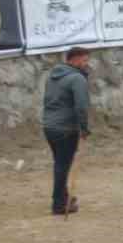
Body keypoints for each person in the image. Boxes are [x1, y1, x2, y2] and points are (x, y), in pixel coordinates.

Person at [40, 47, 91, 216]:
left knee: (60, 163)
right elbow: (81, 106)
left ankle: (64, 197)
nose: (86, 64)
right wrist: (84, 128)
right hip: (66, 128)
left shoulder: (52, 76)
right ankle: (59, 204)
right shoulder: (77, 79)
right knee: (62, 166)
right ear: (73, 60)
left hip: (49, 126)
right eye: (84, 61)